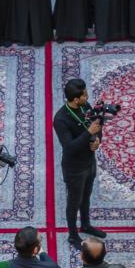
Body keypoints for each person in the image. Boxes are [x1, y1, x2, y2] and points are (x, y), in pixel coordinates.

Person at [54, 78, 104, 247]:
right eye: (84, 95)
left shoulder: (85, 106)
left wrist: (97, 139)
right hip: (74, 168)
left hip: (89, 161)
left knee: (86, 196)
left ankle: (85, 225)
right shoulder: (61, 119)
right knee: (74, 202)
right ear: (75, 99)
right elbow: (69, 147)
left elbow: (98, 125)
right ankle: (73, 235)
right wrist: (88, 133)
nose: (87, 97)